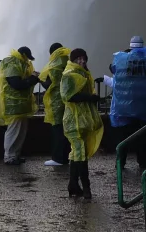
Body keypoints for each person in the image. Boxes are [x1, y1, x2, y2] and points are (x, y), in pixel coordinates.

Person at [109, 36, 146, 172]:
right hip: (143, 107)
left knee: (123, 138)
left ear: (130, 46)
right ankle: (142, 163)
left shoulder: (121, 60)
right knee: (142, 138)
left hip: (124, 109)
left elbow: (113, 69)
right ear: (142, 47)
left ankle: (120, 163)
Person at [60, 48, 104, 199]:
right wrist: (89, 98)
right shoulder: (69, 74)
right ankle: (86, 188)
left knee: (78, 153)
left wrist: (91, 98)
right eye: (78, 59)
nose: (82, 61)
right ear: (73, 60)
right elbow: (67, 96)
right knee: (80, 153)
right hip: (73, 121)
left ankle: (73, 185)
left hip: (82, 120)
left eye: (83, 58)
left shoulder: (84, 73)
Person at [0, 46, 40, 165]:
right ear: (23, 54)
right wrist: (33, 78)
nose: (27, 61)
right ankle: (9, 156)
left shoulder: (20, 64)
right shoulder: (12, 63)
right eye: (27, 58)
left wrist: (32, 78)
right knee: (13, 130)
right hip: (13, 104)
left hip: (21, 105)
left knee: (21, 131)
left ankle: (16, 155)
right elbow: (16, 84)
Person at [39, 42, 71, 167]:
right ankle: (66, 157)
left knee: (58, 131)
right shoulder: (68, 62)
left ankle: (58, 158)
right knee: (65, 130)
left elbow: (48, 84)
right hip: (67, 100)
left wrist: (39, 79)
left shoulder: (54, 65)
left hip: (57, 102)